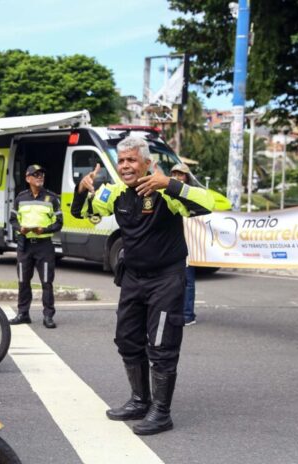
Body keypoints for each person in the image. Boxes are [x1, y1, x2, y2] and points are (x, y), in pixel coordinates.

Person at [71, 136, 214, 435]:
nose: (125, 166)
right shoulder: (115, 193)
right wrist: (80, 190)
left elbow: (208, 204)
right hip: (133, 279)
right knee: (127, 340)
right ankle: (139, 400)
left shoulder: (165, 192)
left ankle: (161, 412)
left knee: (162, 346)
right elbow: (85, 214)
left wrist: (170, 184)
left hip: (166, 279)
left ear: (147, 164)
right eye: (121, 160)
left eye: (131, 160)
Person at [8, 164, 63, 329]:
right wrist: (20, 228)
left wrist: (44, 230)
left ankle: (48, 316)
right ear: (28, 178)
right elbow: (12, 220)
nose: (40, 177)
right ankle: (23, 314)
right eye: (36, 175)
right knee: (23, 281)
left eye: (41, 175)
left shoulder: (52, 198)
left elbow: (59, 222)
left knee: (46, 282)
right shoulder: (20, 198)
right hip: (24, 245)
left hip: (44, 246)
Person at [170, 163, 198, 326]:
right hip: (171, 244)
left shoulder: (193, 194)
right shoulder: (167, 192)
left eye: (181, 174)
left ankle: (187, 314)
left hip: (189, 244)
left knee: (187, 281)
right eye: (174, 174)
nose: (177, 177)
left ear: (187, 177)